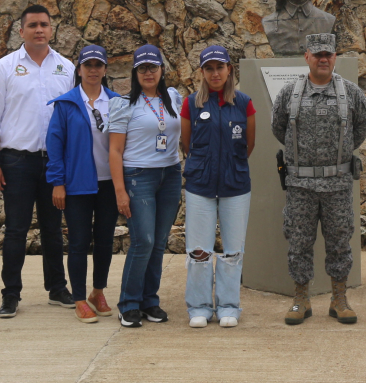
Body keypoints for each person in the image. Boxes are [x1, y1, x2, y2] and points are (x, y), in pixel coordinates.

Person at [0, 4, 76, 317]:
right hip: (17, 162)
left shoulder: (66, 68)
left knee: (52, 228)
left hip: (53, 163)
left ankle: (57, 288)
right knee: (16, 230)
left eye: (44, 25)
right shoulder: (4, 68)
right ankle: (11, 294)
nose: (39, 30)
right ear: (21, 31)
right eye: (33, 25)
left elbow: (73, 118)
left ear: (52, 30)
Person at [272, 33, 366, 325]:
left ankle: (339, 298)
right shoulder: (289, 93)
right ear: (307, 57)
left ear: (335, 57)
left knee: (340, 241)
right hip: (300, 186)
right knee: (299, 242)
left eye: (328, 54)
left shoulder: (352, 94)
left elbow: (361, 129)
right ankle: (300, 298)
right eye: (317, 54)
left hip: (338, 185)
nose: (324, 59)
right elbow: (280, 128)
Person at [108, 44, 183, 328]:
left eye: (153, 67)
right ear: (135, 72)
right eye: (142, 68)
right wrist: (120, 191)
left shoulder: (173, 98)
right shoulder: (124, 104)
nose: (148, 73)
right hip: (138, 176)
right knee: (143, 241)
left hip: (170, 175)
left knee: (159, 242)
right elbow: (114, 151)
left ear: (162, 70)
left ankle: (150, 300)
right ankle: (129, 303)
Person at [180, 45, 255, 328]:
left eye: (220, 67)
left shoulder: (244, 103)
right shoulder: (190, 104)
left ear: (229, 70)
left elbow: (248, 144)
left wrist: (227, 167)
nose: (215, 73)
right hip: (200, 185)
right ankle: (198, 306)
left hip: (235, 185)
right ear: (202, 72)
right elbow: (187, 144)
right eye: (209, 68)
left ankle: (228, 306)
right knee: (198, 250)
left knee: (233, 251)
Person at [46, 45, 121, 324]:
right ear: (79, 70)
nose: (93, 70)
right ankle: (78, 297)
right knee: (78, 242)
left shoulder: (116, 102)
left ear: (104, 69)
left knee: (104, 241)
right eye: (87, 65)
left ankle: (97, 292)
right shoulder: (66, 103)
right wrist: (58, 183)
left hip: (108, 184)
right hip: (77, 184)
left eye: (98, 65)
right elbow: (55, 144)